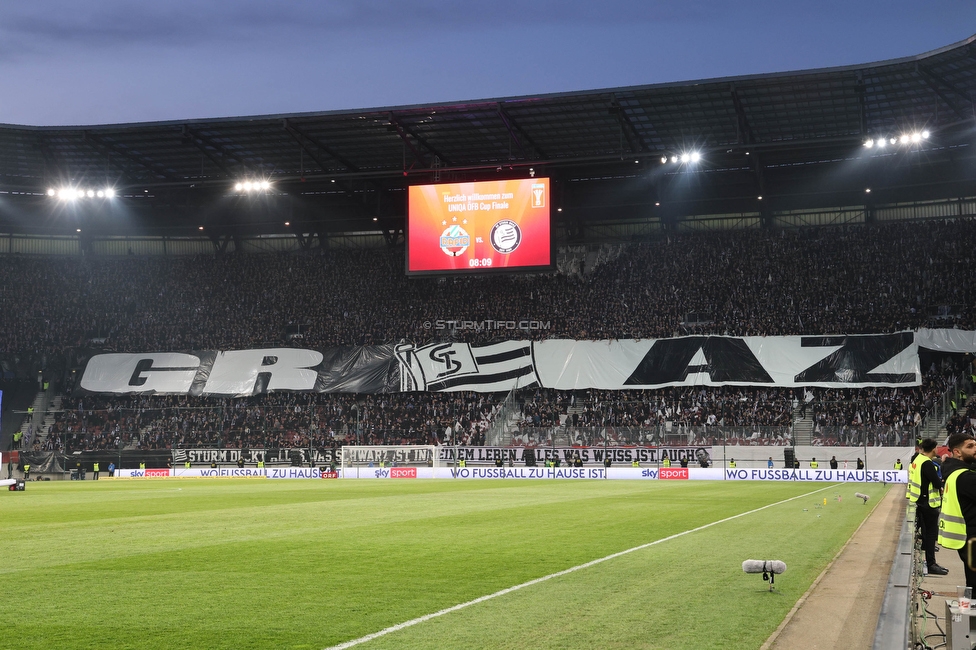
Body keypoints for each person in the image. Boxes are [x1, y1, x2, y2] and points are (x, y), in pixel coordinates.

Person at [938, 434, 976, 589]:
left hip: (966, 538)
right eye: (970, 446)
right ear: (957, 452)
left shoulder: (954, 472)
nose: (975, 449)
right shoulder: (966, 478)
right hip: (972, 537)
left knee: (972, 585)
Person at [909, 439, 947, 575]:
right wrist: (941, 483)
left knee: (926, 534)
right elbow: (936, 483)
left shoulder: (917, 460)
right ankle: (931, 563)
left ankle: (929, 561)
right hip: (929, 503)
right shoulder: (927, 463)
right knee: (931, 534)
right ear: (934, 449)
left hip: (919, 500)